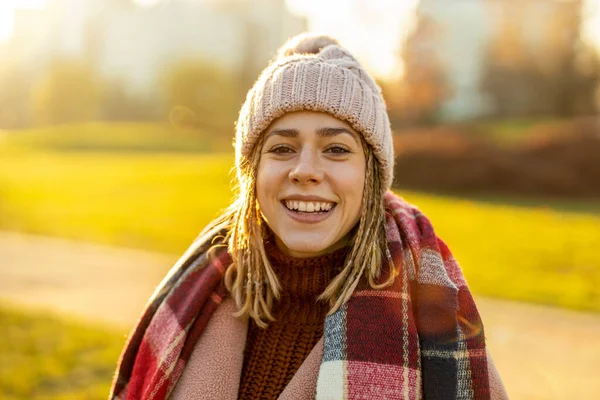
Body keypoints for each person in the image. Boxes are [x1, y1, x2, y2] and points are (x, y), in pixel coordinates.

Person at [109, 33, 507, 400]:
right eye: (282, 148)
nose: (305, 169)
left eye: (336, 149)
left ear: (371, 177)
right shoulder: (201, 295)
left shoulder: (435, 326)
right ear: (253, 174)